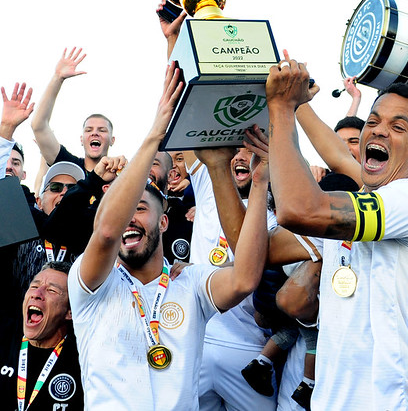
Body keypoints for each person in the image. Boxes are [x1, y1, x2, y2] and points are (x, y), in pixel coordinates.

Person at [67, 63, 271, 410]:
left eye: (142, 209)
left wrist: (261, 181)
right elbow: (105, 232)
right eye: (125, 208)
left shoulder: (189, 281)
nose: (130, 218)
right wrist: (156, 132)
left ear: (164, 222)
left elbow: (246, 277)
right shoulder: (89, 284)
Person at [267, 54, 408, 410]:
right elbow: (340, 158)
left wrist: (281, 107)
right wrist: (299, 105)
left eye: (398, 127)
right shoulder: (367, 196)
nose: (379, 130)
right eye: (373, 121)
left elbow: (299, 209)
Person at [0, 262, 84, 410]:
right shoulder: (3, 335)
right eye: (34, 286)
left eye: (52, 290)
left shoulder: (83, 359)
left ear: (70, 311)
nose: (37, 294)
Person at [30, 48, 115, 174]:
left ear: (112, 140)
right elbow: (38, 126)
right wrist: (57, 78)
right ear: (82, 139)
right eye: (88, 130)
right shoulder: (69, 166)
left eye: (102, 130)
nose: (95, 133)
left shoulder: (121, 176)